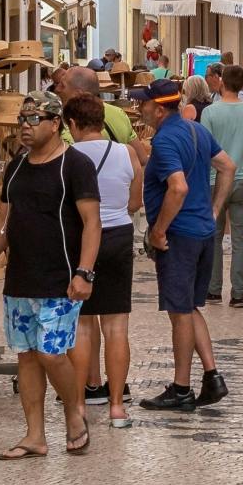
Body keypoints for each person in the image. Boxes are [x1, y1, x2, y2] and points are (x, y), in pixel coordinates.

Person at [0, 94, 100, 459]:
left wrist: (84, 272)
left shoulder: (74, 165)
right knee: (27, 355)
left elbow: (93, 223)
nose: (25, 125)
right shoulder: (16, 167)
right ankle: (34, 436)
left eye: (34, 118)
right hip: (20, 279)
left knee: (51, 353)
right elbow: (2, 221)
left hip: (60, 278)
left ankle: (74, 413)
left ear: (55, 122)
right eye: (22, 119)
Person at [139, 79, 232, 410]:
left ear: (159, 109)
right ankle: (212, 376)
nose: (140, 108)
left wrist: (158, 230)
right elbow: (227, 166)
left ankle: (181, 389)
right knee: (190, 307)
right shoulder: (195, 130)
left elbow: (176, 188)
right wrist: (214, 210)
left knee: (179, 312)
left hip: (179, 236)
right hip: (203, 232)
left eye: (144, 104)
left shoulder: (164, 141)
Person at [66, 88, 142, 427]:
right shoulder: (126, 152)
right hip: (119, 236)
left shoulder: (67, 156)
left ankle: (80, 403)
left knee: (82, 326)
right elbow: (135, 202)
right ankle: (116, 407)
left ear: (72, 123)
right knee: (116, 326)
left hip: (81, 239)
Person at [202, 63, 243, 308]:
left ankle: (213, 289)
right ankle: (238, 293)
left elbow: (205, 148)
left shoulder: (210, 112)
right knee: (240, 237)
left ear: (222, 82)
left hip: (215, 180)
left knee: (214, 237)